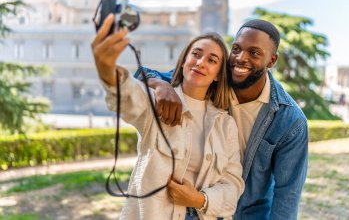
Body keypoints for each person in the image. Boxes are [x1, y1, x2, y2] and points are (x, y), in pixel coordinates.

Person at [135, 19, 308, 220]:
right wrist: (159, 85)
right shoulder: (214, 79)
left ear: (272, 61)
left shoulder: (291, 121)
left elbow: (287, 197)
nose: (241, 58)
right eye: (236, 49)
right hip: (199, 210)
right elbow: (144, 74)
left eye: (254, 53)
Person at [91, 13, 244, 220]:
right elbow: (129, 94)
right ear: (183, 61)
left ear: (218, 74)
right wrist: (106, 69)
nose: (200, 62)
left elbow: (232, 186)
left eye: (212, 60)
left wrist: (199, 199)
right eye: (196, 54)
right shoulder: (157, 101)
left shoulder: (226, 124)